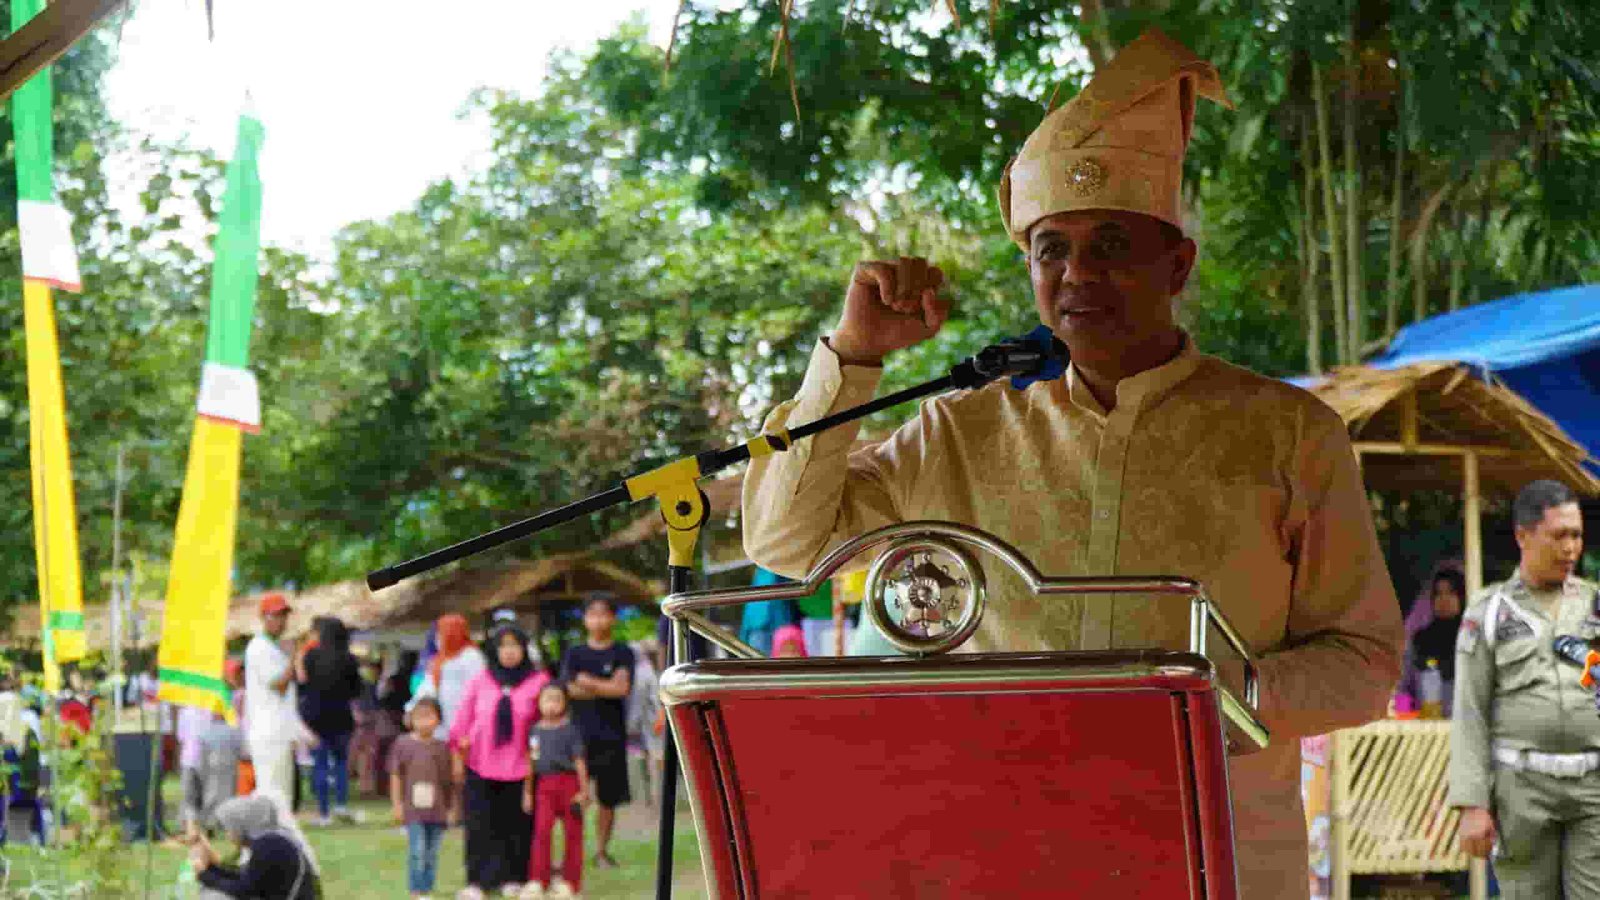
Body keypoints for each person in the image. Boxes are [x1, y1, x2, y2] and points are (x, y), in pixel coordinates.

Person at [739, 28, 1403, 898]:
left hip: (1218, 857)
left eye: (1112, 244)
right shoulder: (957, 431)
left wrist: (1212, 697)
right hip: (1000, 855)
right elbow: (787, 543)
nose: (1078, 272)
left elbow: (1362, 661)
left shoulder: (1287, 433)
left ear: (1178, 264)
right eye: (1053, 249)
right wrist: (853, 356)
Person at [1449, 479, 1596, 897]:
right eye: (1559, 535)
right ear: (1523, 536)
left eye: (1577, 535)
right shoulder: (1490, 611)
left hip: (1594, 790)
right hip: (1522, 793)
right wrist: (1472, 804)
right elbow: (1469, 711)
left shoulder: (1595, 604)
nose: (1571, 548)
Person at [450, 619, 548, 899]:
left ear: (524, 649)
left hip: (521, 766)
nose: (509, 652)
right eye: (502, 646)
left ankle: (513, 877)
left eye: (514, 645)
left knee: (516, 825)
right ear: (493, 650)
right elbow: (463, 720)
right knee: (480, 825)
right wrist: (459, 749)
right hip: (480, 764)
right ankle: (477, 882)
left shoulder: (538, 681)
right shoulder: (481, 680)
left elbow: (546, 720)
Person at [560, 597, 635, 869]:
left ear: (613, 618)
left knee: (608, 799)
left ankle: (602, 852)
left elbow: (621, 689)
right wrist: (606, 686)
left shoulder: (623, 652)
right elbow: (568, 691)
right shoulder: (574, 653)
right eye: (592, 614)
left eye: (604, 614)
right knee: (575, 794)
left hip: (612, 736)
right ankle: (572, 853)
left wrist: (587, 682)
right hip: (578, 736)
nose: (598, 620)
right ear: (584, 619)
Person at [295, 616, 364, 825]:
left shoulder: (311, 656)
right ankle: (341, 805)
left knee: (320, 764)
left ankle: (323, 812)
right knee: (341, 763)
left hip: (315, 717)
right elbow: (356, 690)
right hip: (342, 716)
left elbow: (302, 684)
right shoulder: (349, 658)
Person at [524, 682, 590, 899]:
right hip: (544, 786)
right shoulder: (535, 731)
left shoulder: (570, 730)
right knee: (542, 832)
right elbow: (531, 763)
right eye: (547, 699)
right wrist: (528, 791)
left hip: (569, 784)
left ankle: (570, 883)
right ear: (539, 703)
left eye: (556, 699)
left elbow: (579, 761)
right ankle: (538, 880)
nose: (551, 705)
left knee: (573, 833)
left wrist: (584, 790)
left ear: (564, 703)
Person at [192, 795, 320, 900]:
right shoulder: (271, 839)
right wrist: (209, 868)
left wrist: (205, 875)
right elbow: (245, 878)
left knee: (215, 897)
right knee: (211, 891)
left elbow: (244, 890)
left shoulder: (268, 844)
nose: (228, 835)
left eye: (228, 828)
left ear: (241, 824)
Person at [391, 697, 456, 900]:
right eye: (419, 717)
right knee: (416, 850)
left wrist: (451, 808)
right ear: (410, 719)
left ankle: (427, 890)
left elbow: (448, 781)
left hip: (437, 809)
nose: (424, 722)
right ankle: (415, 890)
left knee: (432, 852)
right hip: (413, 809)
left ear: (438, 720)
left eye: (429, 717)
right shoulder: (403, 744)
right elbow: (395, 775)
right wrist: (397, 804)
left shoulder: (442, 747)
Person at [244, 593, 300, 811]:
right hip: (268, 731)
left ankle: (274, 836)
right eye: (276, 616)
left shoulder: (272, 647)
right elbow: (280, 684)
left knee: (281, 792)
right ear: (264, 618)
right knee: (272, 792)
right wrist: (293, 657)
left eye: (284, 615)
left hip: (278, 729)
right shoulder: (259, 647)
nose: (282, 621)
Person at [1394, 561, 1467, 717]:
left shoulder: (1473, 638)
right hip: (1428, 733)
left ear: (1462, 597)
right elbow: (1403, 687)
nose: (1444, 599)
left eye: (1451, 593)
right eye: (1438, 594)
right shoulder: (1420, 640)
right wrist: (1403, 721)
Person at [415, 614, 487, 740]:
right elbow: (428, 686)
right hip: (441, 723)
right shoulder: (438, 660)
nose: (438, 638)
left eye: (441, 633)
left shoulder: (471, 657)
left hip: (465, 721)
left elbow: (478, 691)